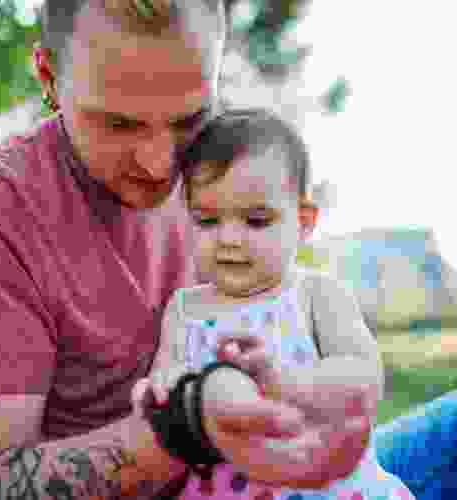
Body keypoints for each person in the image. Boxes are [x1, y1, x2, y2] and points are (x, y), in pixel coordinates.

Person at [0, 0, 457, 500]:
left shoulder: (218, 176)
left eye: (189, 117)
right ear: (48, 77)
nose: (159, 162)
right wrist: (189, 424)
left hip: (275, 480)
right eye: (116, 123)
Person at [139, 108, 416, 500]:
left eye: (255, 221)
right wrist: (159, 392)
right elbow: (166, 379)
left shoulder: (316, 295)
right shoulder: (185, 309)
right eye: (207, 220)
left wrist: (283, 382)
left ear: (303, 221)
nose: (229, 239)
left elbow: (365, 380)